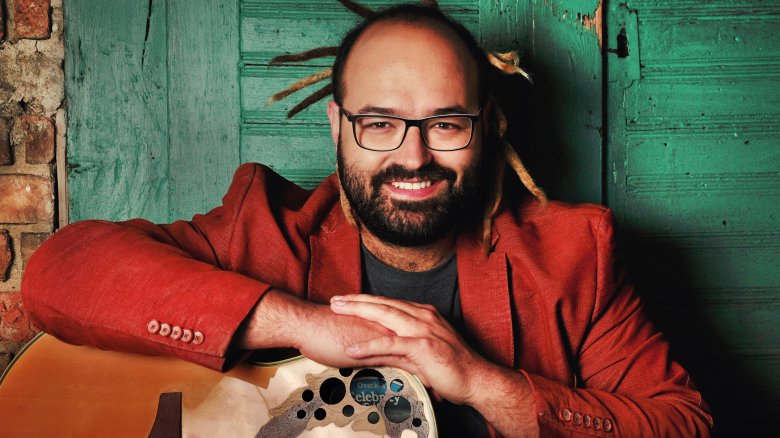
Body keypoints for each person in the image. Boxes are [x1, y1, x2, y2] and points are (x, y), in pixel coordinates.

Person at [21, 4, 712, 437]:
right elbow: (58, 273)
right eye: (379, 123)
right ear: (337, 126)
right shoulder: (260, 229)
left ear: (487, 126)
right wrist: (303, 325)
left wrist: (483, 382)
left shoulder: (574, 256)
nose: (413, 157)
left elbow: (684, 424)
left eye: (445, 123)